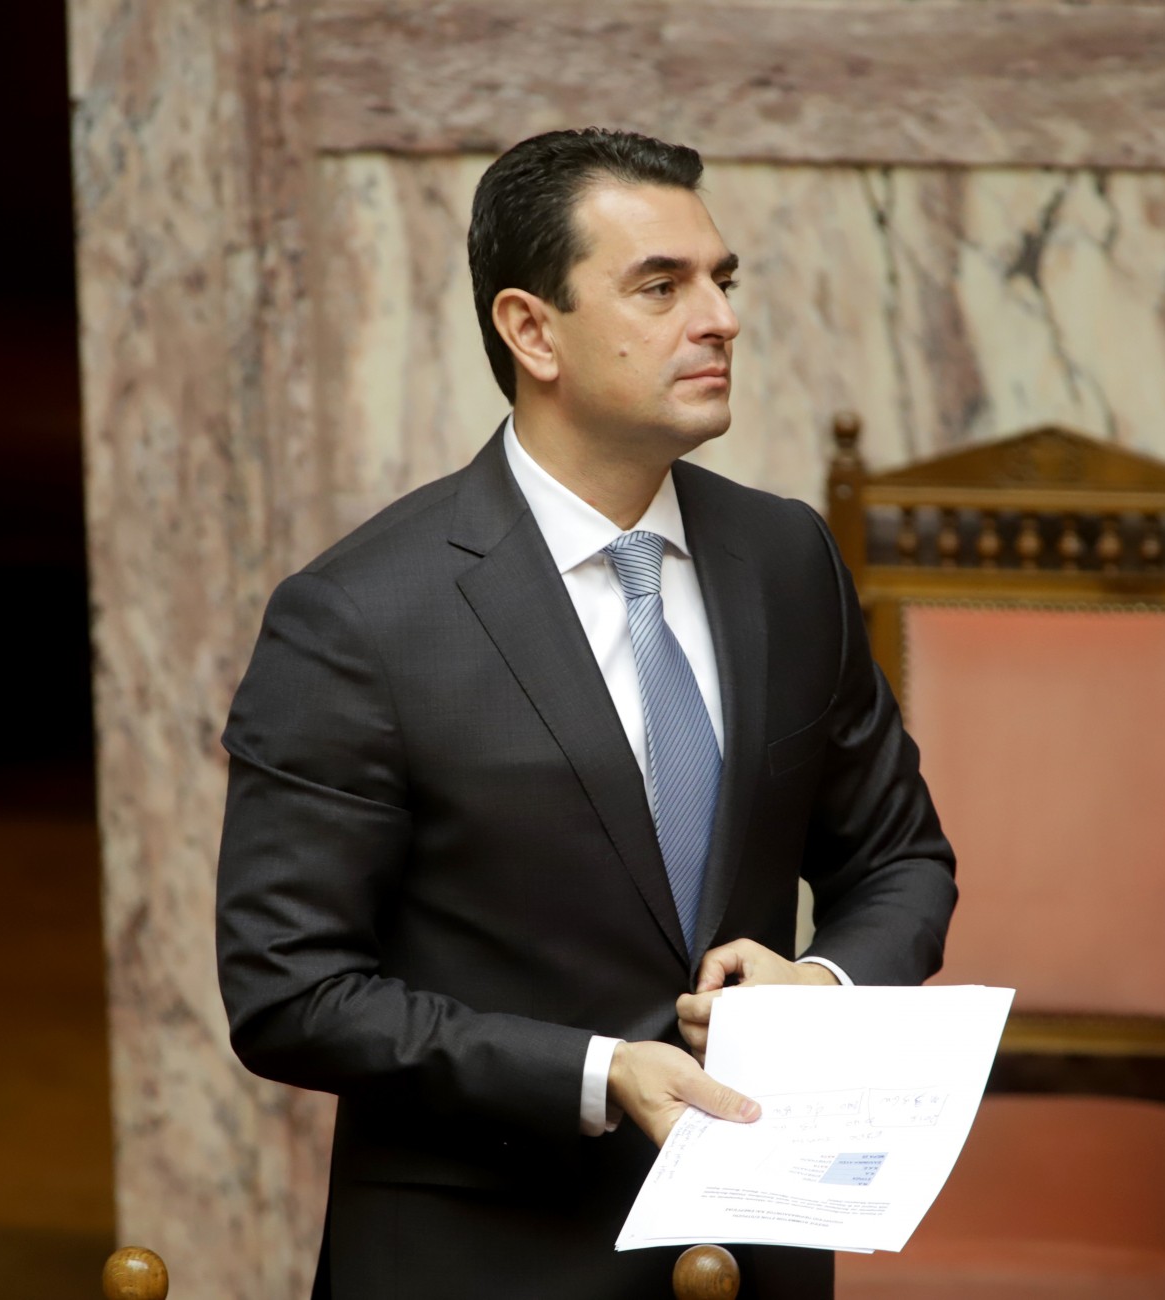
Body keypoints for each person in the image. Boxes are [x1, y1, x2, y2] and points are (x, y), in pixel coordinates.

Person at [216, 127, 956, 1299]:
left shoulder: (785, 558)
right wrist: (600, 1070)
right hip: (483, 1257)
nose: (719, 319)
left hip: (754, 1242)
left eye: (721, 280)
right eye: (661, 287)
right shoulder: (358, 618)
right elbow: (290, 992)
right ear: (531, 330)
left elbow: (900, 861)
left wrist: (821, 988)